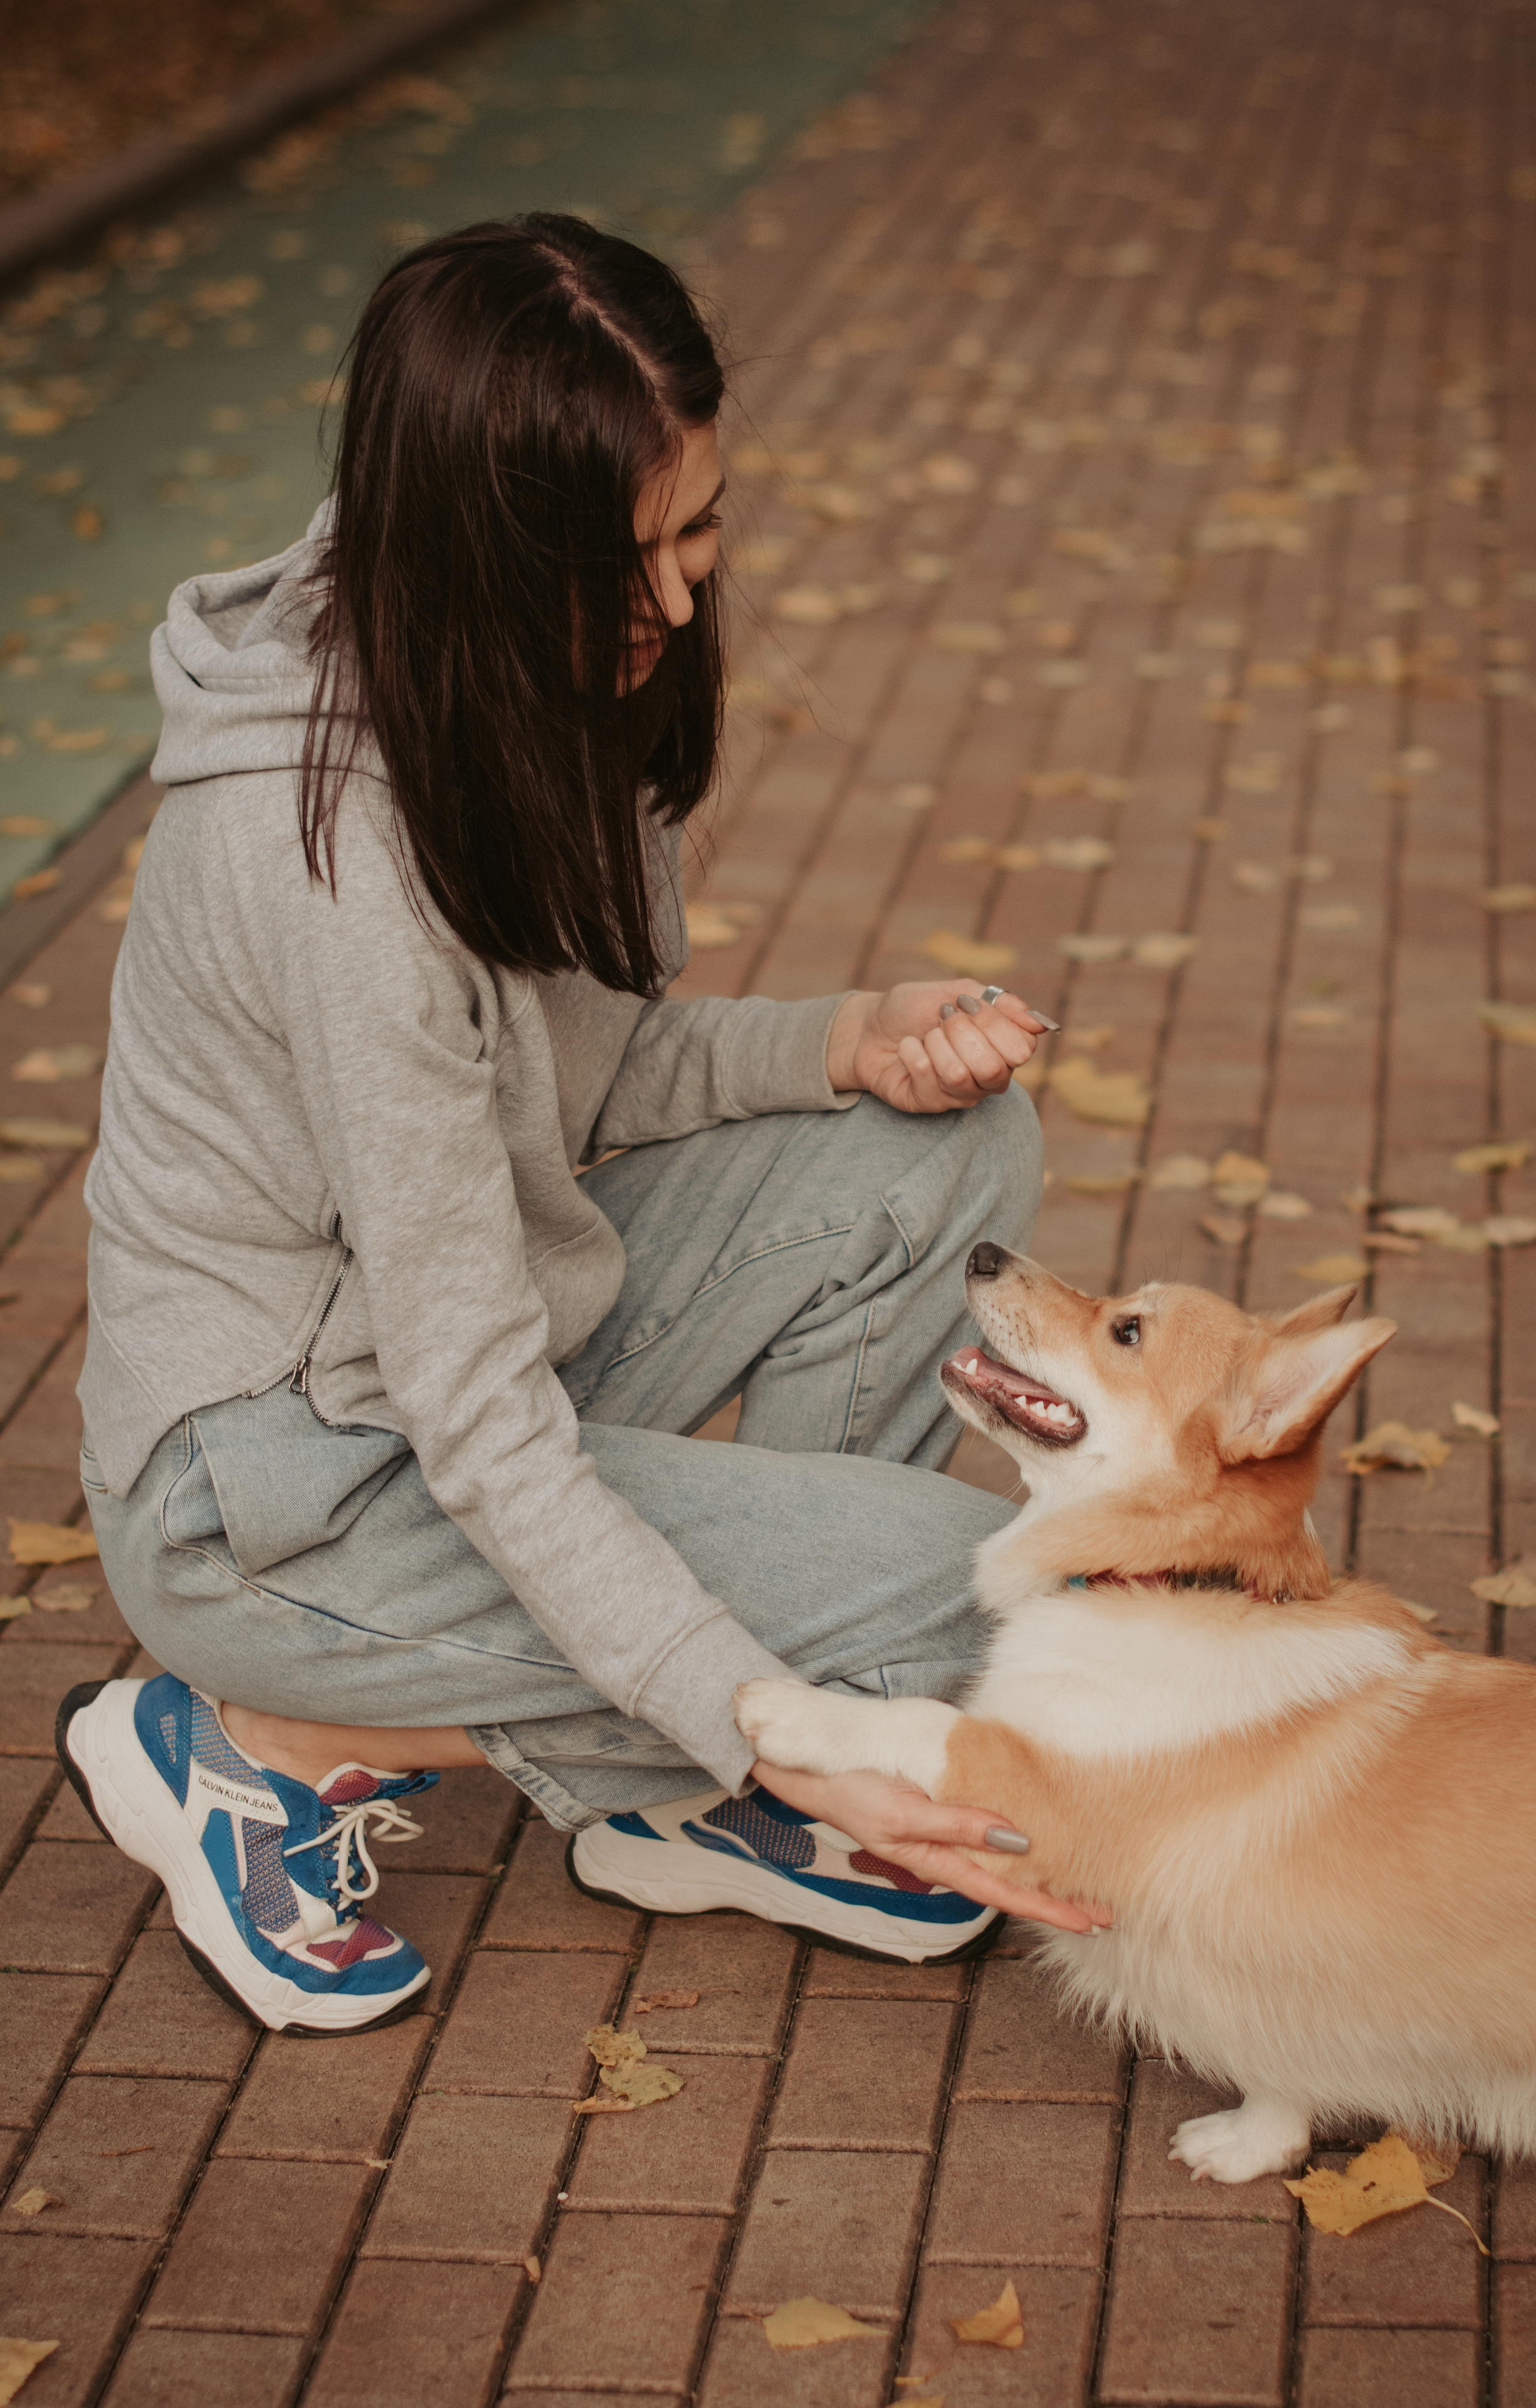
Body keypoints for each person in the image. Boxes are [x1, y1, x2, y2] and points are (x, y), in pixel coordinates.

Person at [56, 214, 1102, 2039]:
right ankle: (261, 1737)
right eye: (634, 560)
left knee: (951, 1157)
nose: (684, 601)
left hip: (437, 1353)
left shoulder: (517, 674)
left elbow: (578, 1080)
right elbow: (472, 1408)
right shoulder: (335, 872)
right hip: (277, 1493)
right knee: (948, 1606)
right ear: (482, 549)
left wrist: (845, 1039)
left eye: (701, 531)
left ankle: (682, 1786)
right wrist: (791, 1721)